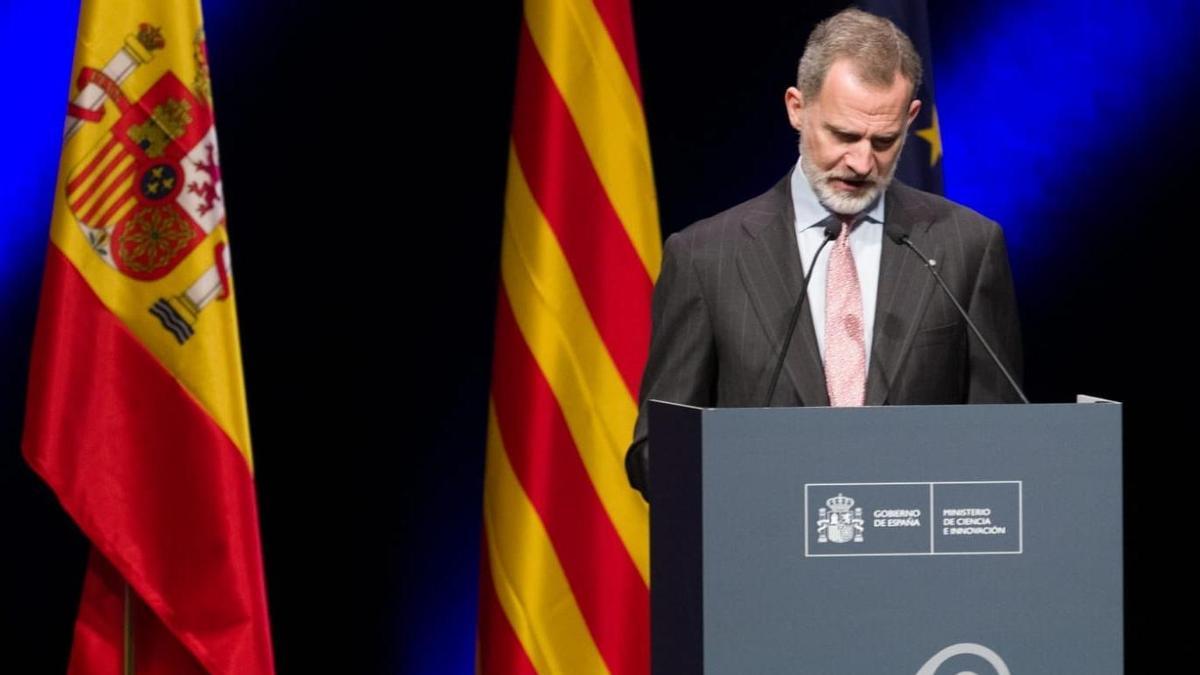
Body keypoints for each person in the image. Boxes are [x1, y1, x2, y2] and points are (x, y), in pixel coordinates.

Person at [625, 9, 1023, 500]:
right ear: (797, 107)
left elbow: (1004, 443)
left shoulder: (966, 247)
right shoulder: (706, 258)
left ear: (911, 118)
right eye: (842, 135)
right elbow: (654, 454)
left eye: (884, 140)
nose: (861, 162)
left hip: (918, 563)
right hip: (765, 559)